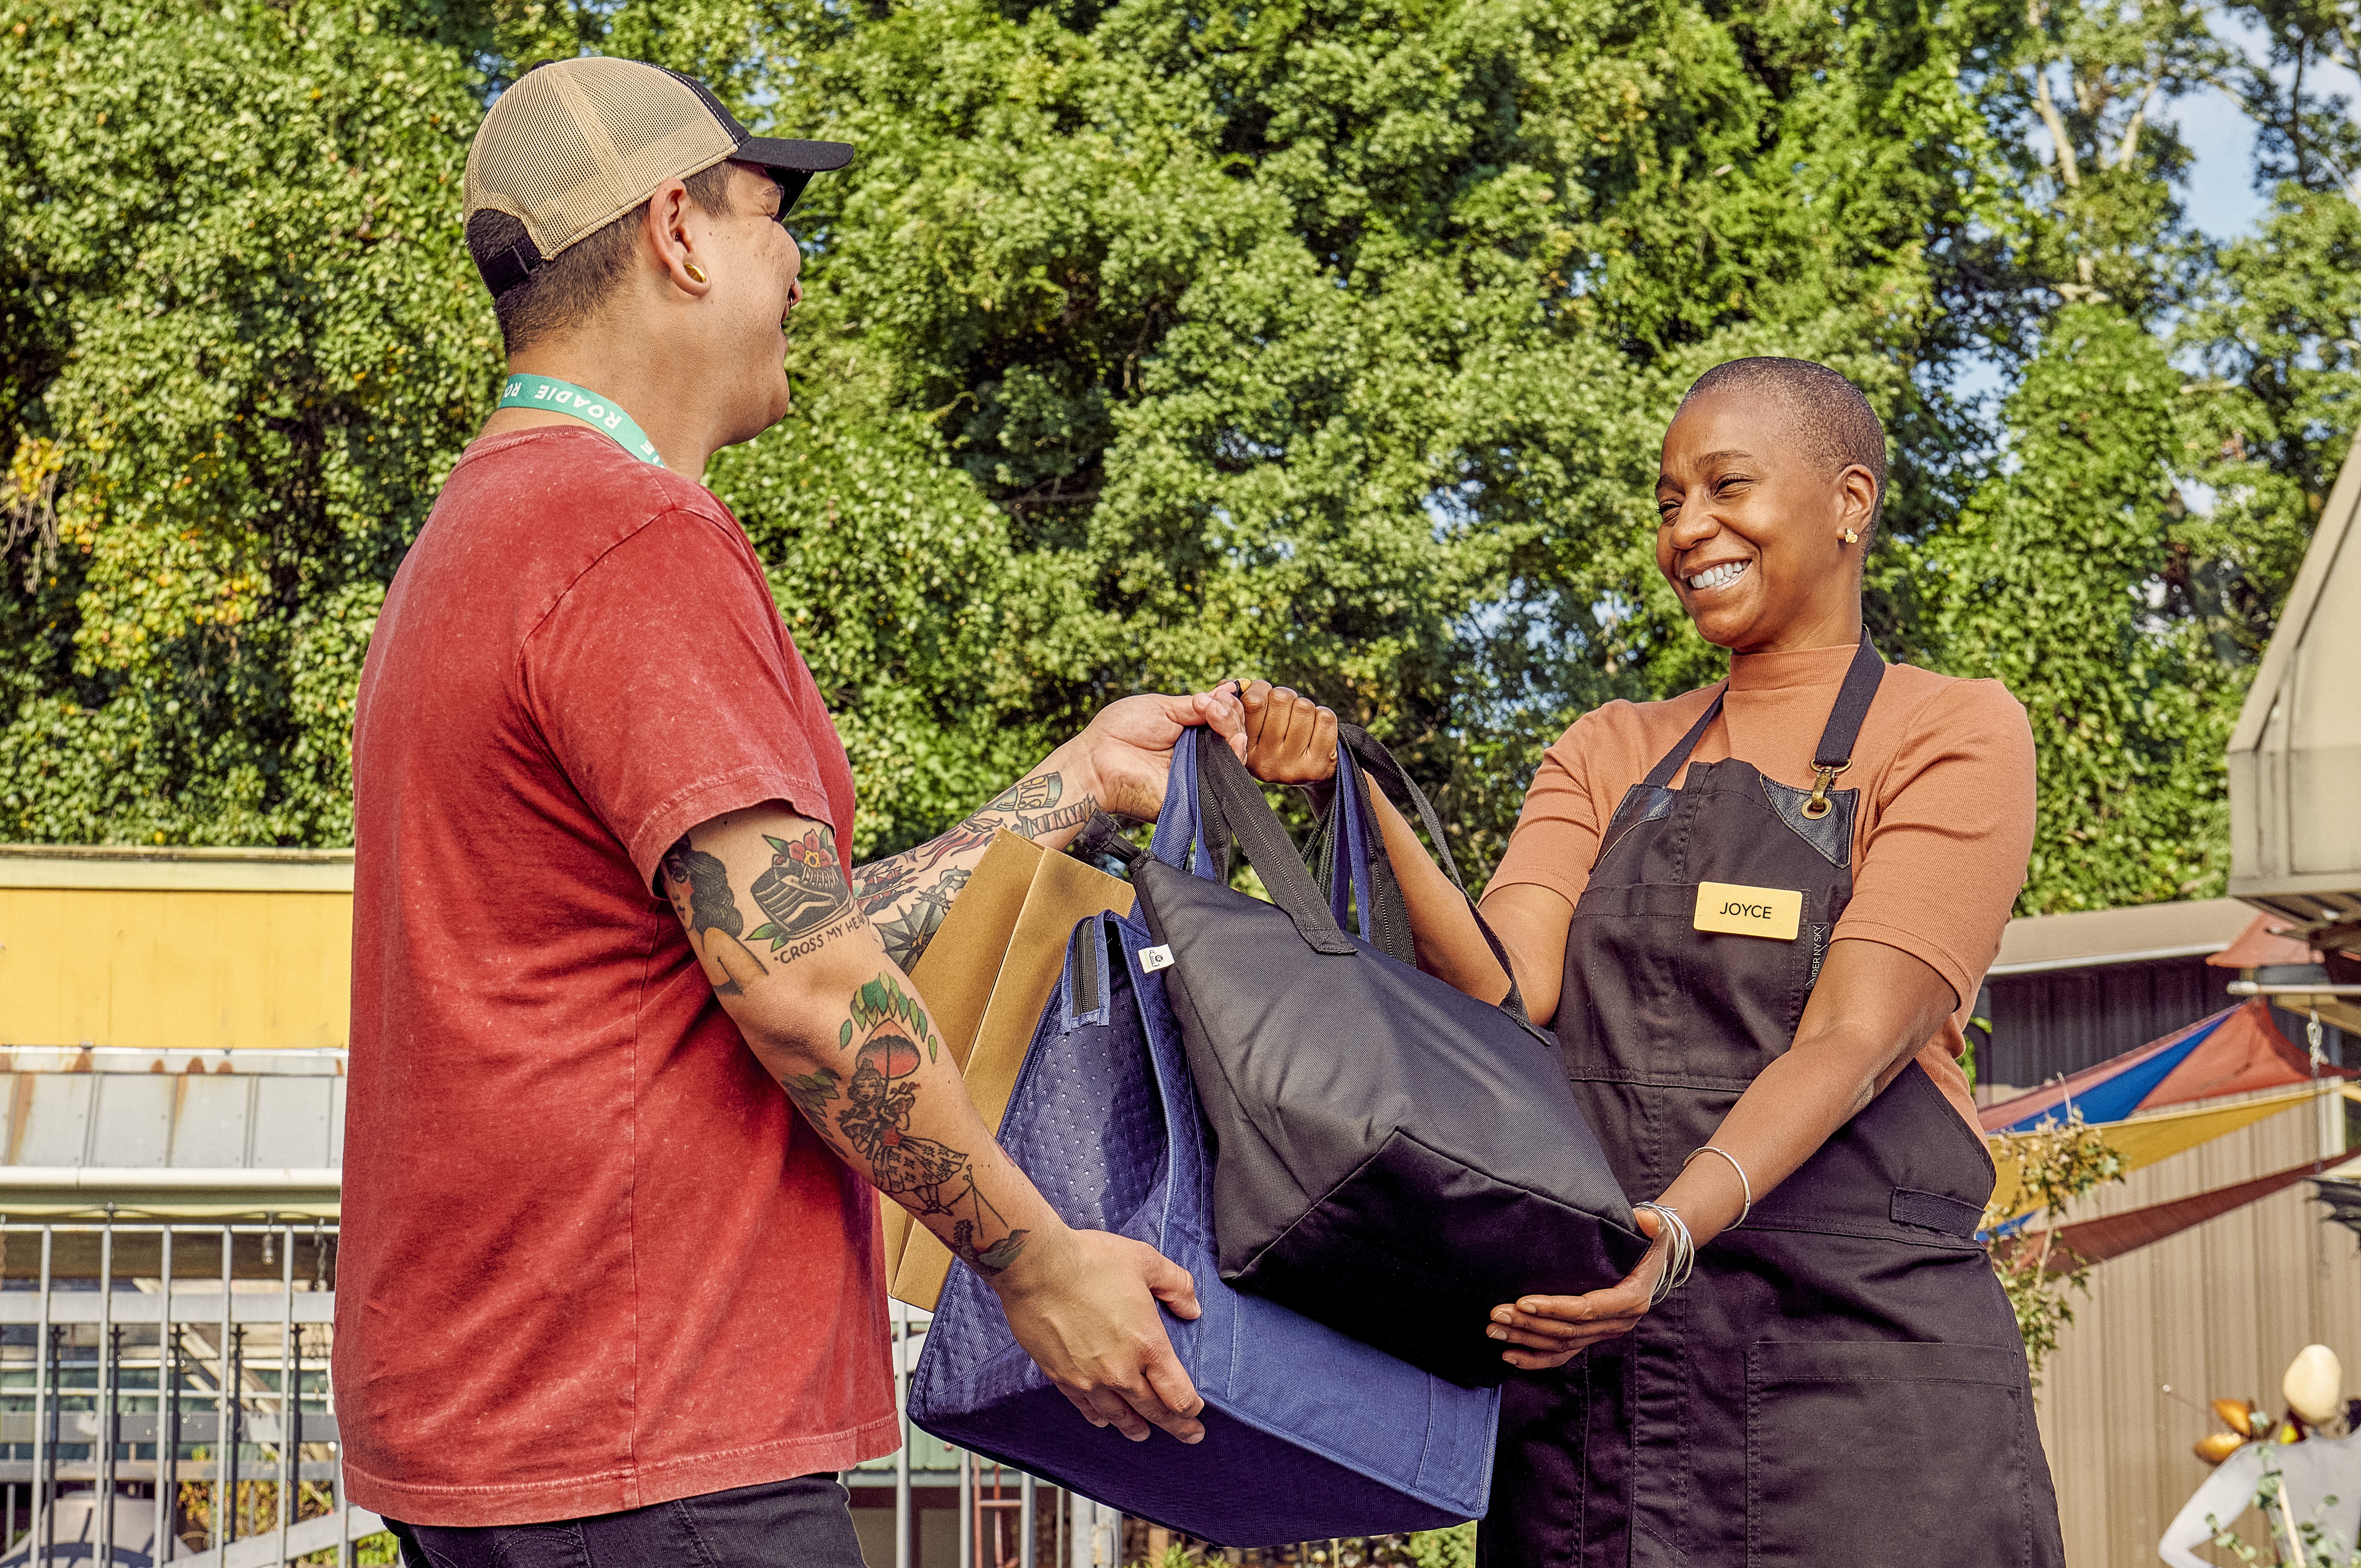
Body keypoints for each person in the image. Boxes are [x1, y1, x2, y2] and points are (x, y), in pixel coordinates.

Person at [337, 56, 1259, 1566]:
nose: (800, 269)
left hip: (513, 1429)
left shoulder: (483, 532)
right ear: (677, 234)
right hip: (648, 1430)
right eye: (776, 219)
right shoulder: (631, 531)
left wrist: (1078, 787)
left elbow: (756, 939)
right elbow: (810, 988)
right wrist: (1031, 1260)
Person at [1240, 357, 2066, 1566]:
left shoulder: (1951, 730)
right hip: (1601, 1393)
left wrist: (1670, 1234)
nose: (1689, 530)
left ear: (1850, 500)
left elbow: (1855, 1036)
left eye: (1727, 487)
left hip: (1864, 1383)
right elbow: (1503, 990)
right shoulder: (1610, 748)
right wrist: (1351, 795)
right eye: (1669, 502)